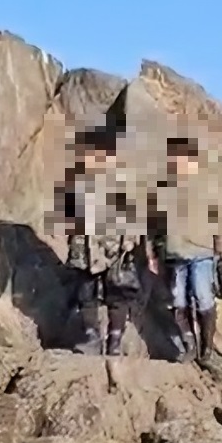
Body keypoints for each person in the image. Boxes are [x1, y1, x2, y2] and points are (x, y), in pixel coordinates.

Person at [49, 128, 154, 355]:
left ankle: (114, 342)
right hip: (83, 245)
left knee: (117, 292)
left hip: (113, 245)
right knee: (85, 293)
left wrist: (130, 239)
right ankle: (91, 336)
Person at [155, 136, 222, 365]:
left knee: (204, 297)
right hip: (174, 252)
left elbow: (216, 218)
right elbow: (155, 223)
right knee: (177, 301)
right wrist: (152, 252)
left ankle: (207, 351)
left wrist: (220, 247)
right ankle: (189, 347)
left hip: (201, 251)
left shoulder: (206, 186)